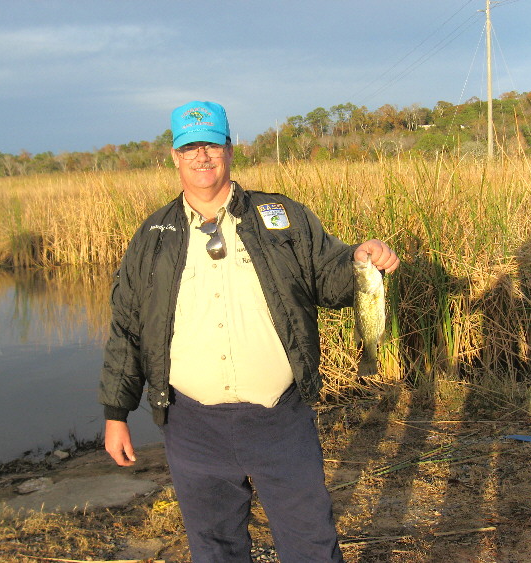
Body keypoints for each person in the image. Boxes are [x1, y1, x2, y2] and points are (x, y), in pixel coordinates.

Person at [99, 100, 400, 562]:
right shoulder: (152, 235)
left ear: (230, 149)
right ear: (175, 156)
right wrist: (116, 413)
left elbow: (329, 276)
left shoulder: (280, 215)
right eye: (190, 147)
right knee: (215, 548)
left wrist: (360, 259)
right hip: (191, 423)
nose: (202, 156)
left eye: (211, 145)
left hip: (280, 418)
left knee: (311, 544)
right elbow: (127, 327)